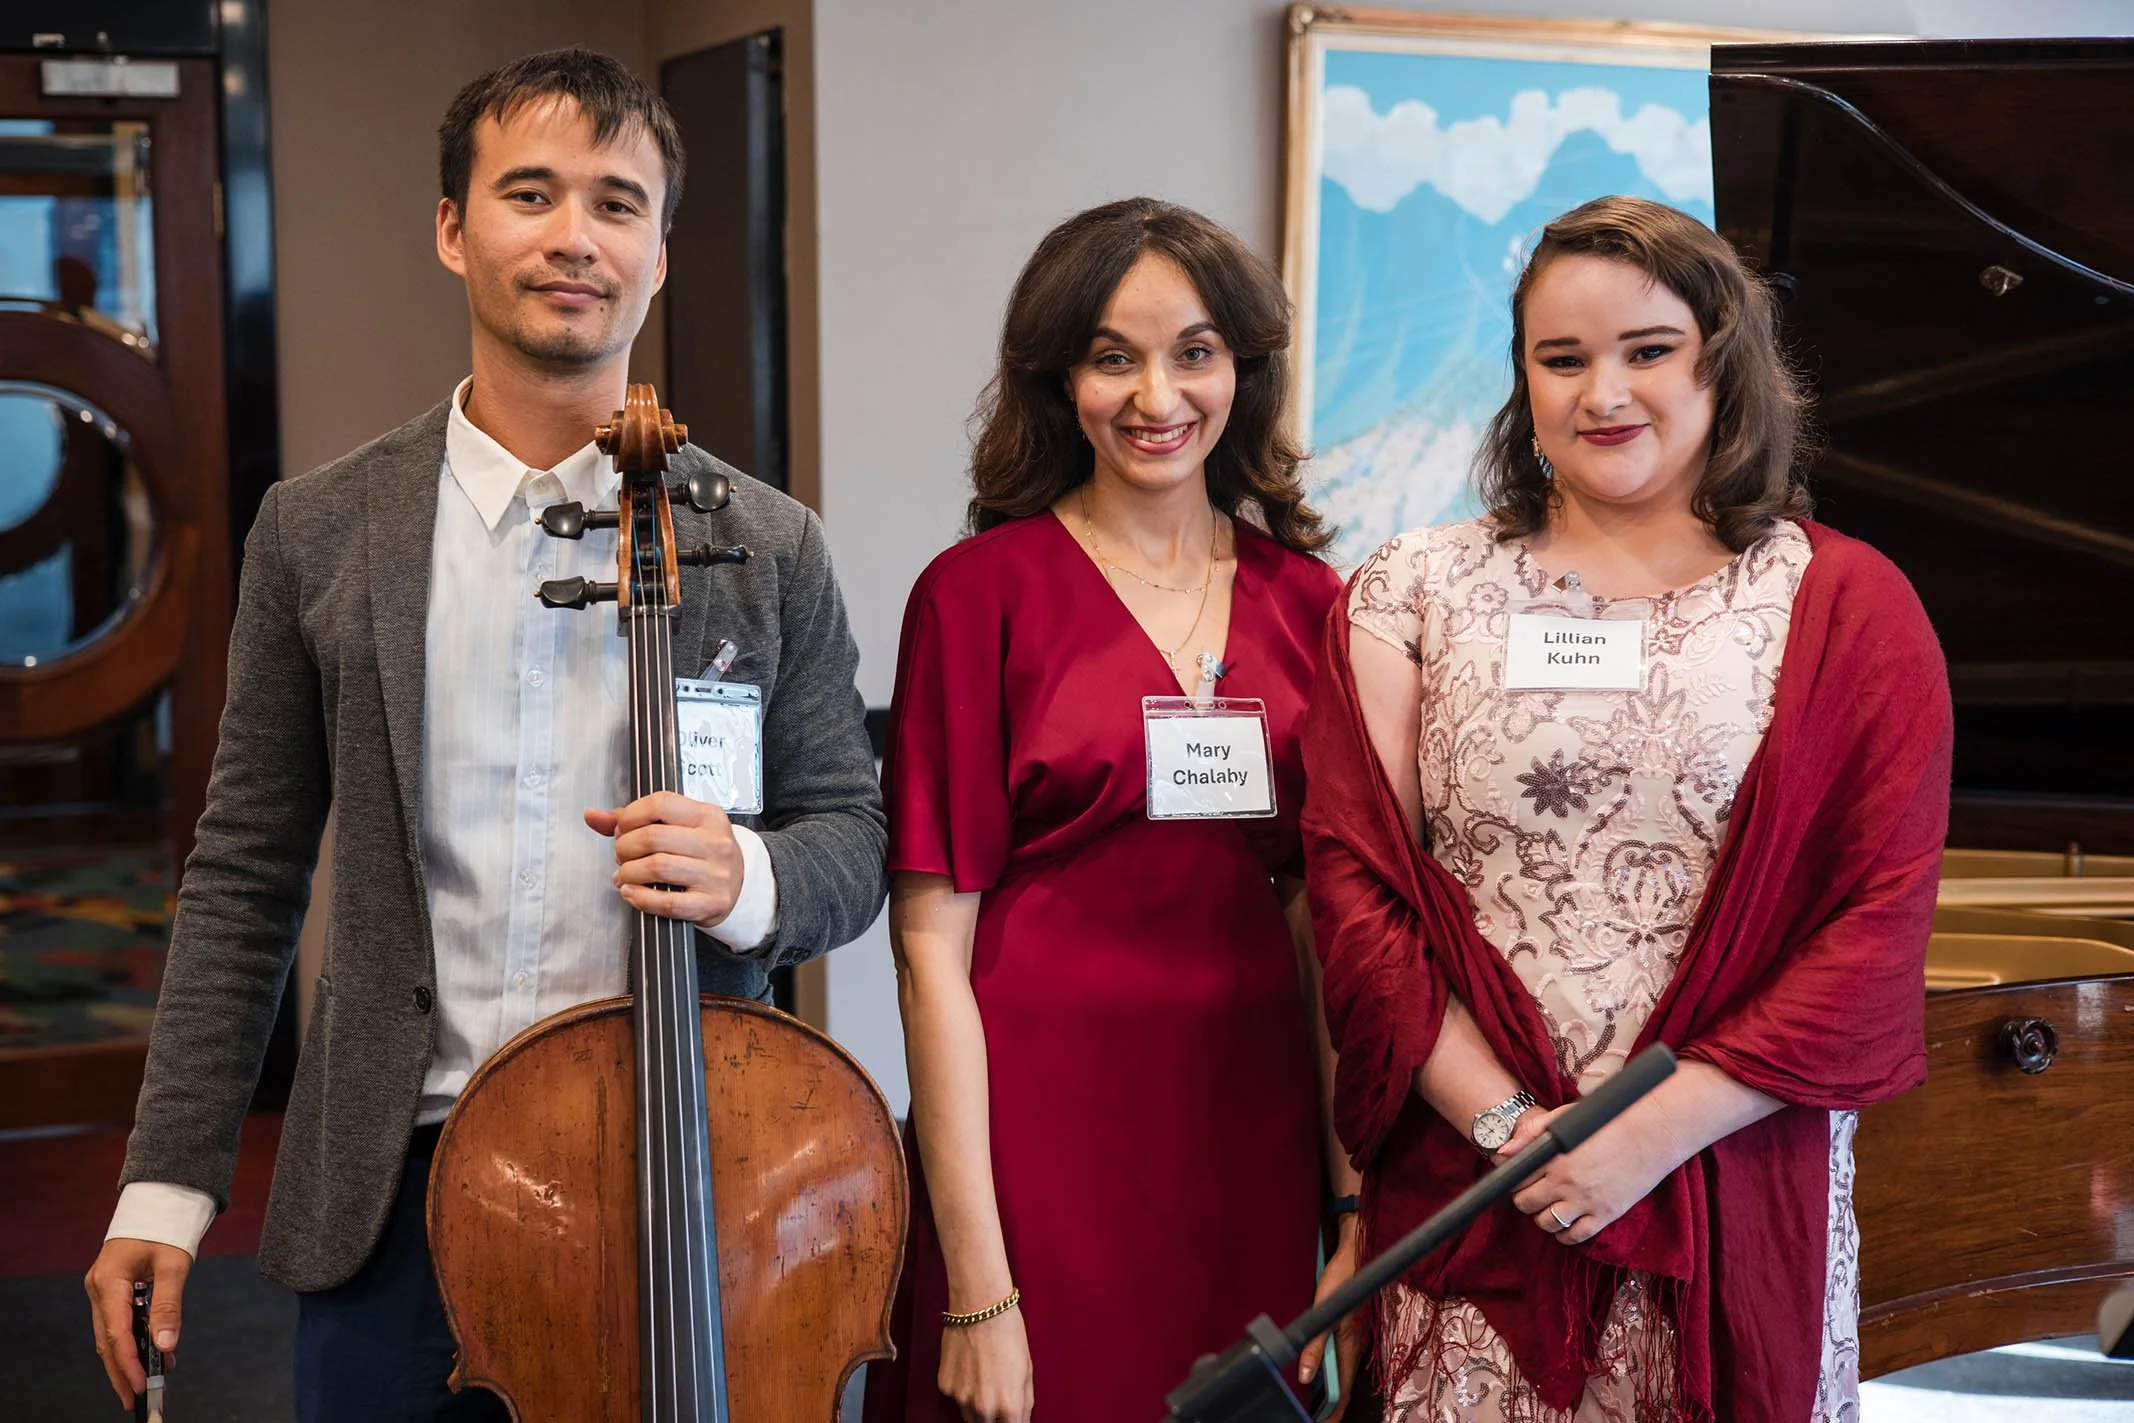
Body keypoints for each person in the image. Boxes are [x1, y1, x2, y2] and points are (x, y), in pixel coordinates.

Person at [83, 48, 887, 1422]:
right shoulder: (322, 528)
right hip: (397, 1189)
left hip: (686, 1179)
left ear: (660, 253)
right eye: (531, 192)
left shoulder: (764, 542)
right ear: (454, 230)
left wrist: (746, 877)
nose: (575, 235)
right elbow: (247, 869)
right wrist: (168, 1174)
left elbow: (849, 841)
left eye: (617, 203)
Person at [1302, 195, 1951, 1422]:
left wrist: (1651, 1136)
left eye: (1646, 350)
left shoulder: (1850, 604)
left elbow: (1874, 925)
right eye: (1562, 358)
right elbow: (1356, 891)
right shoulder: (1411, 588)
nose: (1603, 391)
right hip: (1475, 1189)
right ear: (1522, 381)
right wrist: (1512, 1131)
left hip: (1732, 1169)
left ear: (1722, 361)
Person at [864, 198, 1362, 1423]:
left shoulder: (1314, 605)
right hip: (1033, 1127)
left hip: (1249, 1126)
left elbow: (1331, 928)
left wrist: (1351, 1207)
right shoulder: (976, 596)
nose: (1158, 394)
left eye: (1194, 352)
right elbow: (931, 954)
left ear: (1242, 368)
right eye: (1111, 355)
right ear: (1058, 378)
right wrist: (977, 1284)